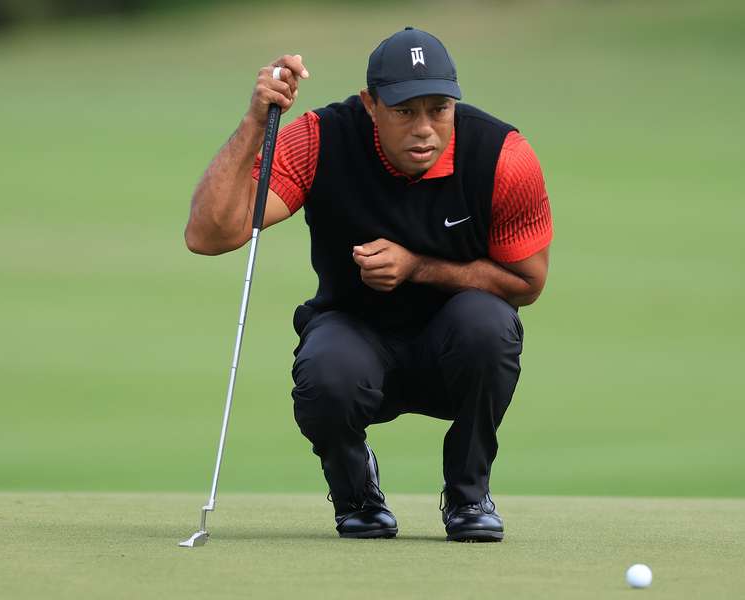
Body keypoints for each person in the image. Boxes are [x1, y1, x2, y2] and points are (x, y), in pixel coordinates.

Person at [184, 27, 552, 542]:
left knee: (489, 325)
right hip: (354, 334)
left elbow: (526, 283)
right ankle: (357, 493)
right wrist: (254, 121)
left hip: (455, 349)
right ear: (370, 104)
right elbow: (208, 235)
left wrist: (418, 267)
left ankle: (469, 496)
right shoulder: (321, 137)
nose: (425, 129)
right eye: (405, 111)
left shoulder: (501, 156)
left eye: (438, 109)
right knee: (325, 371)